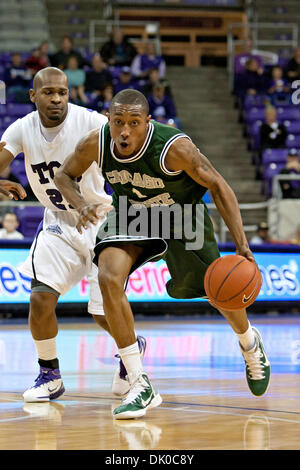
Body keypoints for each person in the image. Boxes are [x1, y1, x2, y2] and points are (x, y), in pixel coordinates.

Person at [54, 89, 270, 420]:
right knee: (109, 275)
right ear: (109, 120)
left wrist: (242, 244)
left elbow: (219, 186)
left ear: (147, 122)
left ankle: (249, 343)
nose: (124, 131)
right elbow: (63, 175)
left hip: (182, 216)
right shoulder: (94, 144)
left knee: (220, 291)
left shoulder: (174, 147)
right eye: (118, 122)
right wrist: (80, 204)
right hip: (131, 214)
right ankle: (140, 381)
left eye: (133, 123)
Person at [0, 68, 146, 402]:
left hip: (99, 217)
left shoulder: (91, 121)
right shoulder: (22, 127)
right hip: (58, 220)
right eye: (48, 92)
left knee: (101, 313)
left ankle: (131, 349)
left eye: (62, 92)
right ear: (33, 96)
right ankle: (49, 374)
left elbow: (131, 142)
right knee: (40, 298)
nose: (56, 99)